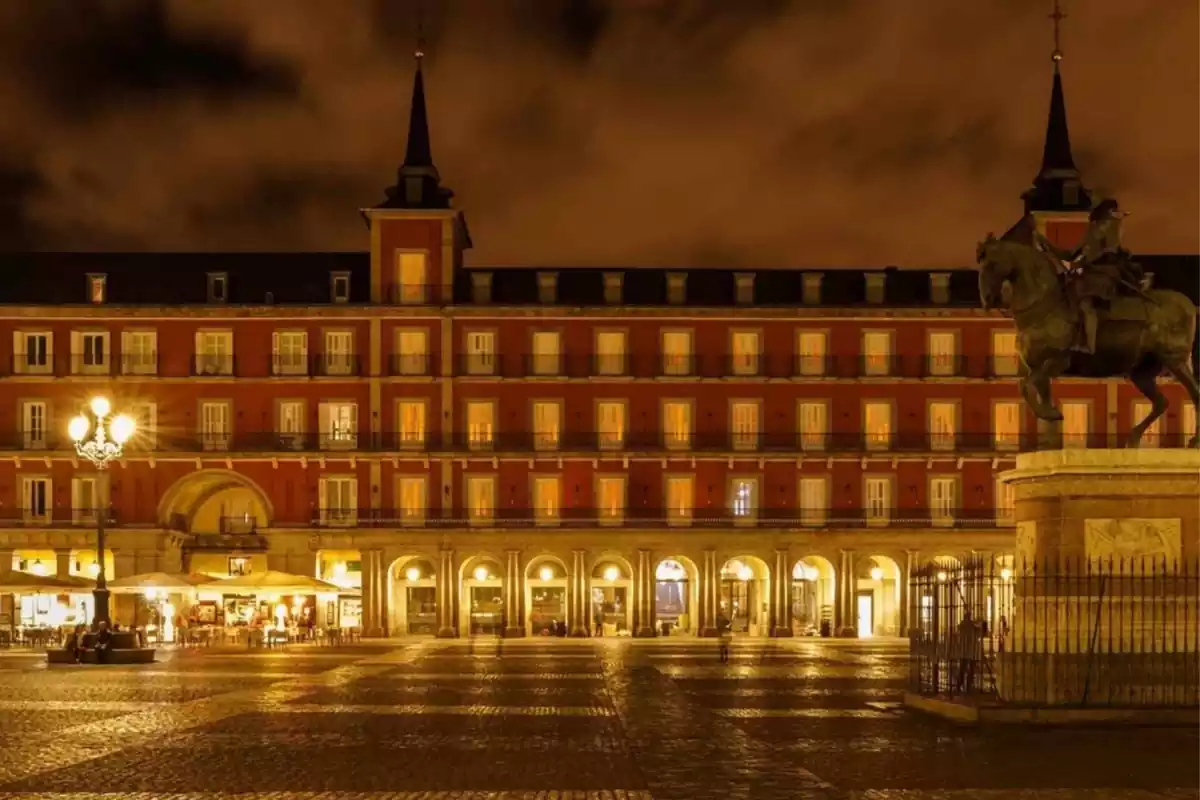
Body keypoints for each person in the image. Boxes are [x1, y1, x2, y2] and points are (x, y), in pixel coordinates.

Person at [1066, 199, 1137, 354]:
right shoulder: (1092, 229)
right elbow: (1071, 253)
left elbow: (1109, 251)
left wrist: (1084, 261)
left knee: (1086, 305)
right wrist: (1044, 244)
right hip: (1090, 271)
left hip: (1103, 272)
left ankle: (1089, 345)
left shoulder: (1112, 226)